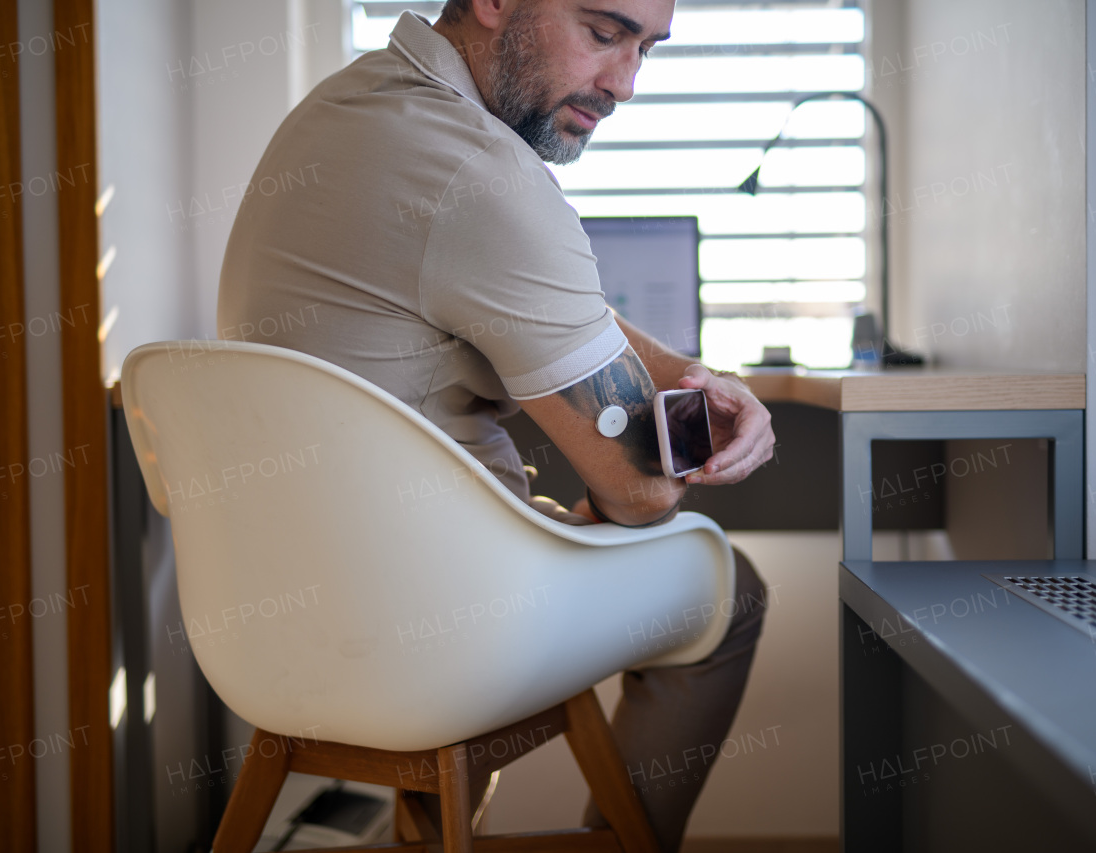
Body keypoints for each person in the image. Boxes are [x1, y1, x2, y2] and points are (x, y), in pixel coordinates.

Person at [217, 0, 775, 848]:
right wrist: (595, 513)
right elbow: (641, 492)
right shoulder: (484, 175)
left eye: (646, 48)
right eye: (602, 31)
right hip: (436, 627)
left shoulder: (336, 112)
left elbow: (560, 312)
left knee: (529, 524)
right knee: (732, 589)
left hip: (268, 623)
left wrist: (697, 380)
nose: (625, 83)